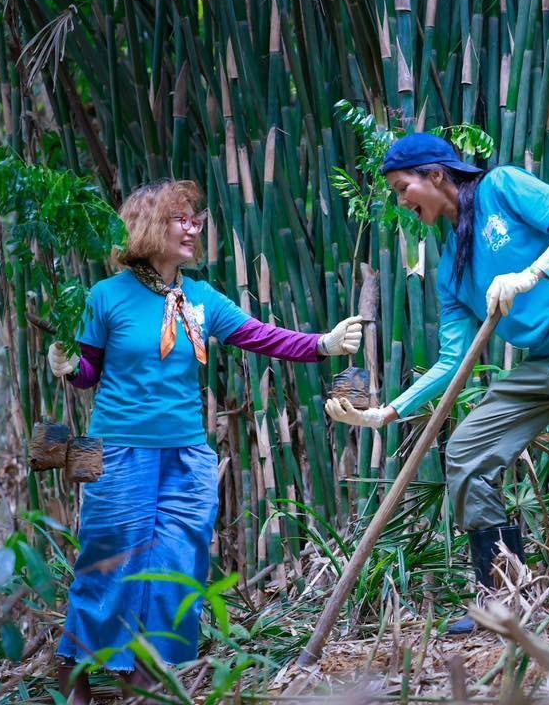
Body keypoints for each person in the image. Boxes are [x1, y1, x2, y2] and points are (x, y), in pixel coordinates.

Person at [324, 133, 549, 644]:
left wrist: (530, 274)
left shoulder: (502, 186)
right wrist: (388, 412)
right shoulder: (451, 266)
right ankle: (503, 599)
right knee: (468, 450)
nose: (401, 201)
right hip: (545, 359)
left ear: (435, 174)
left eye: (403, 187)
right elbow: (453, 362)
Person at [48, 180, 363, 702]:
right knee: (111, 556)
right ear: (150, 227)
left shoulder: (201, 297)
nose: (194, 227)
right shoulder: (106, 296)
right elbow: (87, 373)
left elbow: (260, 335)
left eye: (196, 219)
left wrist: (322, 345)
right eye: (181, 219)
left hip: (187, 452)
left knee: (180, 557)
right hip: (118, 447)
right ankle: (76, 665)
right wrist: (67, 364)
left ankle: (148, 665)